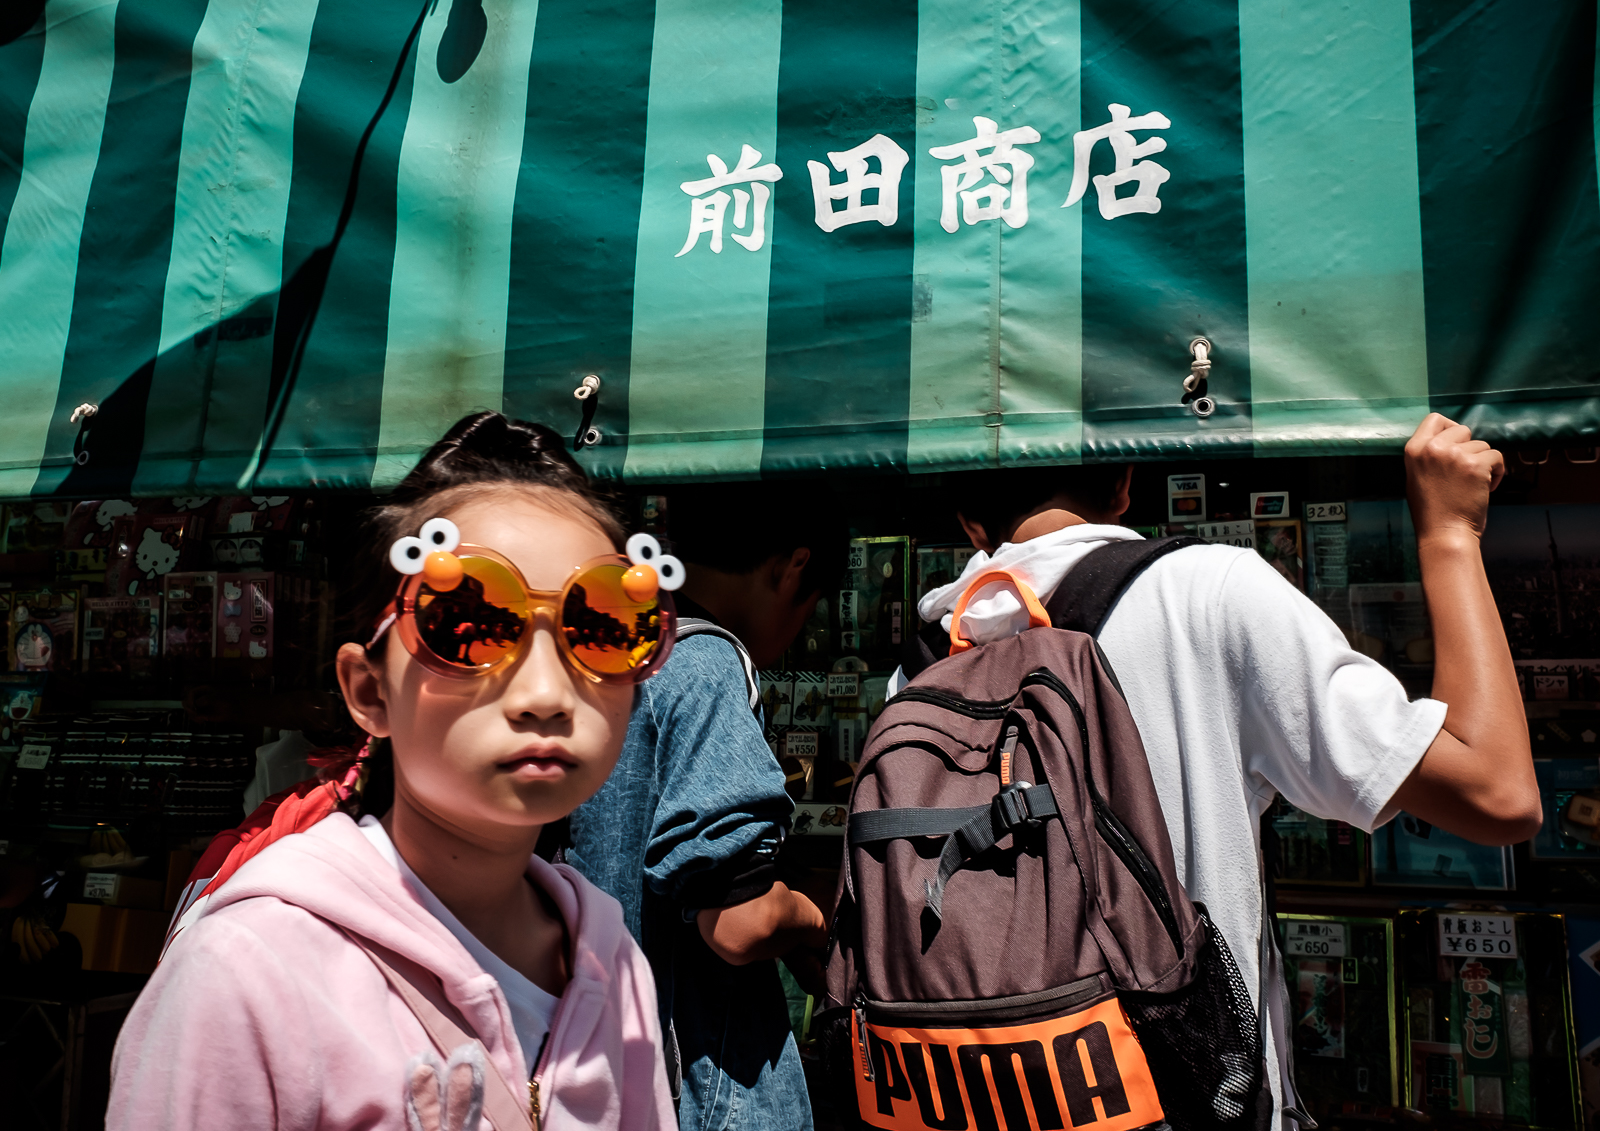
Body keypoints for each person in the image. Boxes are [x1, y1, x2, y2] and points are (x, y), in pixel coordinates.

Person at [913, 414, 1538, 1127]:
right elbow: (1496, 791)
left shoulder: (924, 664)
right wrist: (1450, 534)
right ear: (1123, 481)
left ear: (968, 521)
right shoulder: (1206, 594)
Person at [110, 413, 677, 1131]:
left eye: (604, 629)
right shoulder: (248, 970)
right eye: (466, 626)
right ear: (369, 691)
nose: (545, 693)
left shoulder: (612, 961)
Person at [566, 482, 849, 1131]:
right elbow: (739, 921)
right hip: (701, 1090)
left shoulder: (607, 646)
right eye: (810, 607)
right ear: (793, 569)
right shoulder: (707, 660)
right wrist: (814, 918)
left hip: (604, 1065)